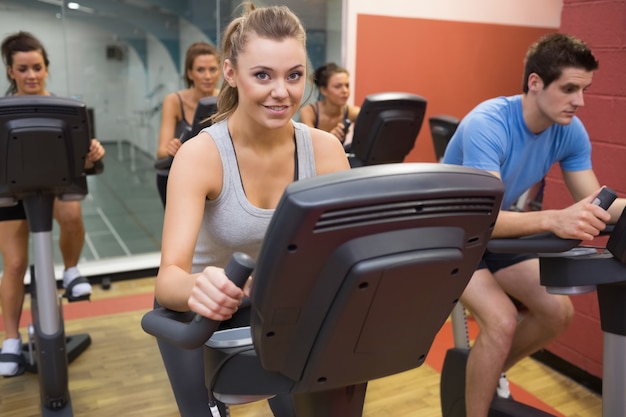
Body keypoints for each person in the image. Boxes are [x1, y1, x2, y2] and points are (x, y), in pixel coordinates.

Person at [153, 4, 349, 416]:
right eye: (263, 75)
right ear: (231, 73)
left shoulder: (326, 151)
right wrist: (200, 287)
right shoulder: (201, 156)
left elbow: (344, 254)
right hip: (201, 314)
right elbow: (168, 281)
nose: (281, 91)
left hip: (280, 308)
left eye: (293, 75)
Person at [442, 33, 626, 417]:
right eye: (570, 88)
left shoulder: (569, 131)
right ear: (535, 82)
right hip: (451, 236)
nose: (580, 101)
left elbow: (597, 204)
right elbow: (481, 220)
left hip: (495, 230)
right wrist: (554, 219)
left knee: (557, 313)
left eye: (585, 89)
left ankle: (486, 373)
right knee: (502, 320)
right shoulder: (488, 124)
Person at [0, 31, 106, 377]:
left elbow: (83, 164)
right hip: (12, 193)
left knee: (72, 212)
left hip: (55, 190)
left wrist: (93, 155)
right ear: (10, 71)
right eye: (22, 69)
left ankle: (71, 269)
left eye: (37, 67)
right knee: (14, 265)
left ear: (46, 68)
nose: (31, 75)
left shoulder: (65, 108)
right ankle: (11, 339)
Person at [156, 42, 221, 207]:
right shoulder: (174, 101)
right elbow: (161, 152)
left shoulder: (226, 100)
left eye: (213, 69)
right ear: (190, 73)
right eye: (200, 70)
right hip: (176, 175)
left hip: (212, 176)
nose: (207, 76)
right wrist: (172, 148)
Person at [298, 62, 360, 147]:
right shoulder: (308, 112)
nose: (345, 91)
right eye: (338, 86)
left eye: (347, 85)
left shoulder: (352, 112)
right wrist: (330, 138)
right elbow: (310, 146)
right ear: (323, 90)